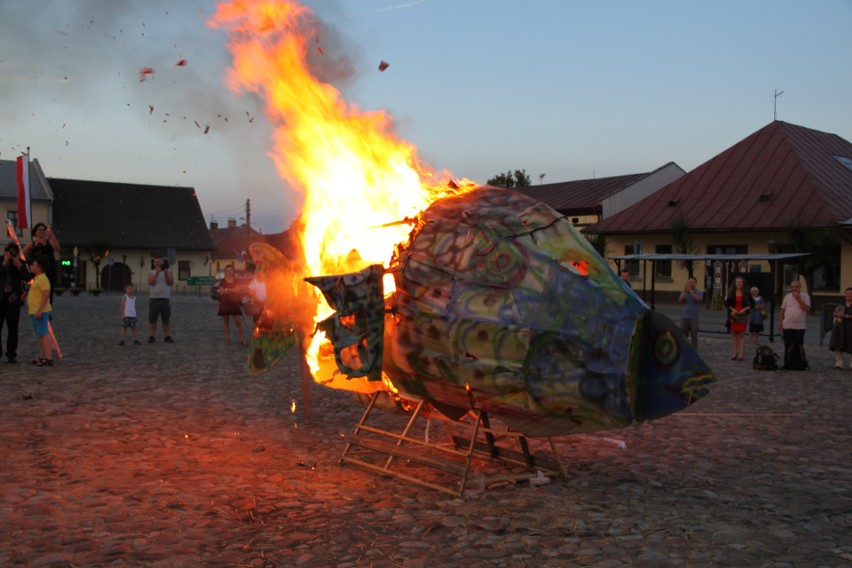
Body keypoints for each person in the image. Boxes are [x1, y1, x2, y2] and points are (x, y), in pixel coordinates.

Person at [1, 243, 29, 363]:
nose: (12, 254)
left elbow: (28, 277)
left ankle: (11, 354)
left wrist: (19, 266)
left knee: (13, 328)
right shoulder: (1, 260)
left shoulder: (21, 262)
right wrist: (5, 262)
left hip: (14, 299)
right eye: (10, 252)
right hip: (1, 298)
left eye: (14, 252)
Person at [22, 223, 60, 305]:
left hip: (50, 271)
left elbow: (57, 248)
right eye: (40, 229)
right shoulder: (32, 244)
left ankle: (47, 312)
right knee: (38, 291)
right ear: (35, 232)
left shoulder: (49, 242)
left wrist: (52, 235)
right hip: (37, 272)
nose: (42, 231)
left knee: (48, 293)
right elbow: (22, 254)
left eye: (43, 230)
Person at [779, 279, 811, 368]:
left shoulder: (805, 296)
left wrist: (798, 299)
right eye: (792, 287)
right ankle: (787, 363)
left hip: (799, 326)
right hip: (787, 324)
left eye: (796, 287)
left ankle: (798, 363)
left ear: (800, 287)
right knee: (787, 345)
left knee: (798, 345)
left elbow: (806, 309)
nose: (794, 288)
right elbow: (782, 309)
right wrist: (781, 322)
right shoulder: (787, 297)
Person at [28, 257, 54, 367]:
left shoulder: (43, 279)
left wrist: (39, 310)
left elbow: (46, 295)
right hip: (35, 311)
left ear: (38, 268)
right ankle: (42, 356)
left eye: (33, 264)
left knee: (44, 333)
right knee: (40, 334)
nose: (31, 266)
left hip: (41, 311)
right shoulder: (38, 278)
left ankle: (48, 357)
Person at [725, 276, 754, 361]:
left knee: (741, 334)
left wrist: (744, 309)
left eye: (740, 282)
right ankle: (734, 353)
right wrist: (732, 309)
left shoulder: (747, 293)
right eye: (737, 282)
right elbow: (727, 304)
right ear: (735, 283)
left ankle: (741, 353)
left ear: (743, 283)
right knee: (734, 334)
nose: (738, 284)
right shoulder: (731, 292)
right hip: (734, 314)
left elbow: (752, 304)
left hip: (743, 315)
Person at [147, 256, 175, 343]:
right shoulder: (151, 272)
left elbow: (171, 282)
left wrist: (166, 274)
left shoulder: (169, 271)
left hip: (165, 298)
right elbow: (151, 282)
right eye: (156, 261)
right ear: (154, 263)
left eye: (159, 261)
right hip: (154, 299)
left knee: (166, 319)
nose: (158, 263)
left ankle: (167, 336)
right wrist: (157, 273)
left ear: (163, 262)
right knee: (152, 320)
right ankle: (152, 336)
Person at [218, 265, 247, 345]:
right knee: (226, 322)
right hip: (225, 302)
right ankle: (228, 339)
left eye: (230, 270)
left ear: (233, 271)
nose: (228, 272)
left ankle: (242, 340)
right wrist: (232, 290)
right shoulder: (222, 281)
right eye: (227, 270)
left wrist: (227, 290)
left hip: (235, 302)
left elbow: (238, 291)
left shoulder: (236, 280)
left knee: (238, 322)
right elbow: (221, 292)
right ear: (225, 271)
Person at [828, 287, 852, 369]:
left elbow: (844, 315)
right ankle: (839, 363)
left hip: (851, 327)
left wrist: (846, 316)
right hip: (840, 327)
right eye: (847, 293)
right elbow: (836, 313)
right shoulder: (842, 303)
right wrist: (836, 314)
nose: (849, 295)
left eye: (850, 293)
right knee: (838, 343)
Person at [678, 276, 703, 351]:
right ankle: (683, 350)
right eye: (690, 282)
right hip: (685, 317)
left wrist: (691, 291)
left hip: (694, 317)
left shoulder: (699, 292)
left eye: (693, 282)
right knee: (683, 335)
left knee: (694, 335)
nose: (691, 284)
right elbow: (681, 300)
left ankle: (694, 350)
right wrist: (685, 291)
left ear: (696, 283)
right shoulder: (685, 292)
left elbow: (698, 299)